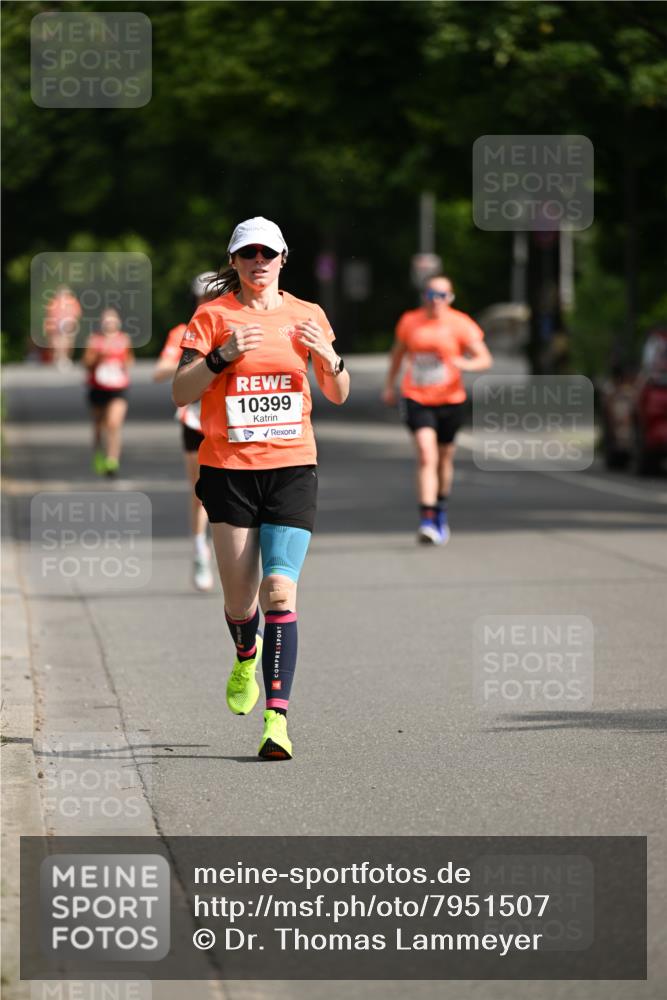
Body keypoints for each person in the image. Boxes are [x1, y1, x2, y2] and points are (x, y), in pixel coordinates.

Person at [173, 217, 349, 760]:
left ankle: (277, 721)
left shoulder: (308, 315)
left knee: (280, 592)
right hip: (228, 468)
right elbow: (181, 391)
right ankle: (244, 652)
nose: (258, 262)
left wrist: (327, 354)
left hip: (292, 466)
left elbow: (338, 391)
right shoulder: (212, 317)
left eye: (267, 253)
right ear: (234, 262)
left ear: (282, 259)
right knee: (239, 598)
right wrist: (222, 356)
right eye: (247, 254)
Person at [382, 274, 492, 544]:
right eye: (431, 294)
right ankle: (427, 520)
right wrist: (389, 385)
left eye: (442, 295)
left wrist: (463, 364)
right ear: (424, 297)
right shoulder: (410, 321)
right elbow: (397, 354)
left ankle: (440, 509)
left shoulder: (461, 323)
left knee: (444, 459)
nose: (436, 300)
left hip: (451, 400)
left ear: (450, 298)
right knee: (426, 453)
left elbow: (484, 359)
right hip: (416, 397)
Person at [153, 272, 219, 592]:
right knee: (200, 492)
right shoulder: (183, 332)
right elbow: (159, 372)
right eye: (204, 297)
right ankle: (199, 549)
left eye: (215, 296)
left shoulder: (231, 325)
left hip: (229, 421)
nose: (209, 302)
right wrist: (192, 358)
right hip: (194, 419)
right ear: (195, 299)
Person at [82, 307, 134, 477]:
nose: (109, 323)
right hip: (97, 388)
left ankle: (112, 460)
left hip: (117, 389)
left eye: (112, 320)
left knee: (113, 423)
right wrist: (98, 356)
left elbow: (129, 361)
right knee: (99, 427)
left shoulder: (124, 340)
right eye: (106, 320)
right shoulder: (94, 340)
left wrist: (120, 365)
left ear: (118, 323)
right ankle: (98, 454)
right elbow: (86, 363)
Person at [44, 284, 81, 368]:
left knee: (68, 343)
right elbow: (50, 315)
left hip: (69, 325)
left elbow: (76, 314)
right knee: (58, 343)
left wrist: (71, 324)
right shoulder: (54, 302)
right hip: (57, 327)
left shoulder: (72, 301)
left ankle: (65, 358)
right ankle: (59, 359)